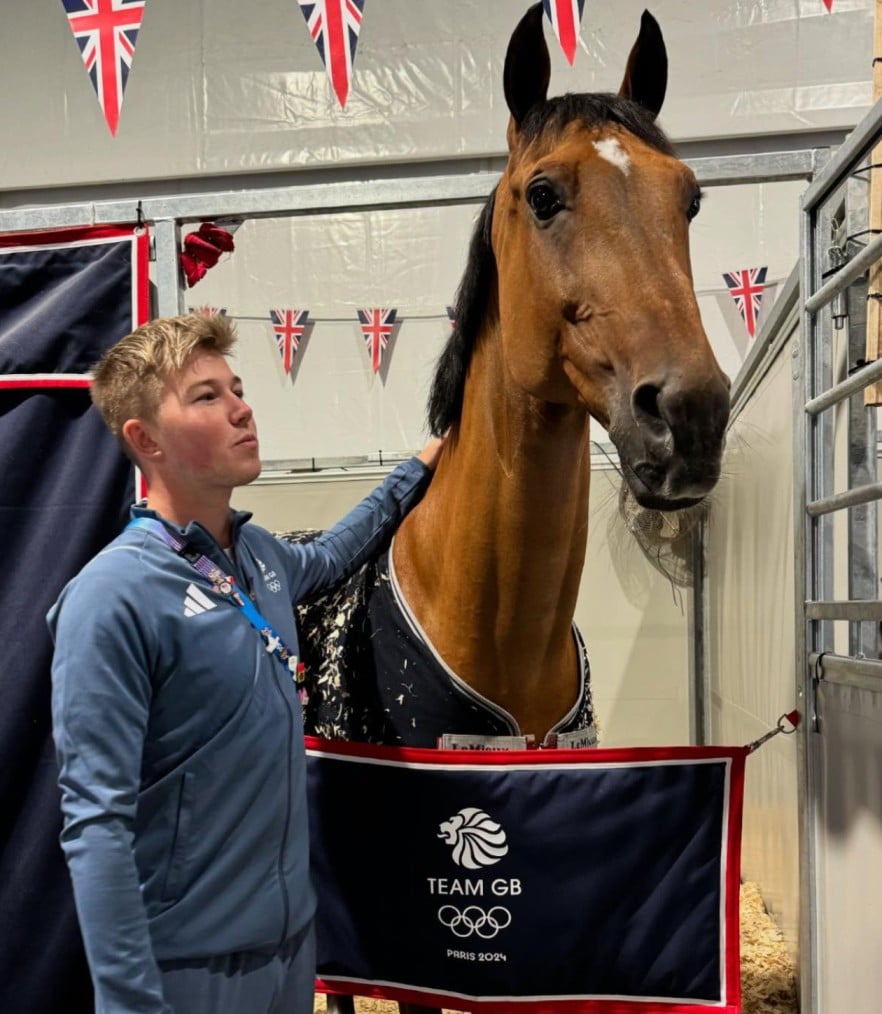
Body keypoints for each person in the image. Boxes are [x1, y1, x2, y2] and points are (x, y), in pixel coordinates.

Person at [47, 312, 444, 1014]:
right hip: (186, 971)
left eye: (236, 387)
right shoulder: (112, 598)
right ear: (145, 440)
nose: (241, 407)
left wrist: (415, 472)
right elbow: (95, 824)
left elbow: (332, 555)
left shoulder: (257, 558)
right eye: (206, 397)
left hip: (288, 955)